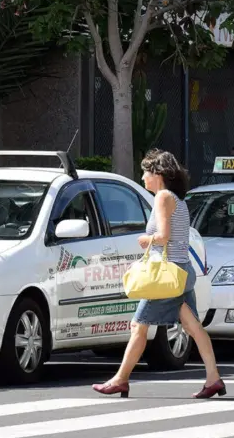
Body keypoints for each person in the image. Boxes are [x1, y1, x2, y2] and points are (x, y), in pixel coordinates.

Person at [92, 149, 225, 399]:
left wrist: (146, 239)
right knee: (193, 327)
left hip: (166, 277)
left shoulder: (163, 197)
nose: (142, 177)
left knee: (138, 326)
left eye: (145, 172)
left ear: (158, 174)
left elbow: (163, 237)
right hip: (180, 272)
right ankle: (213, 378)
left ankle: (120, 380)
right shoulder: (178, 199)